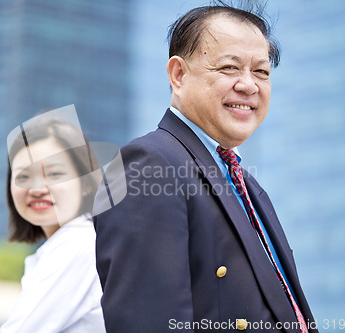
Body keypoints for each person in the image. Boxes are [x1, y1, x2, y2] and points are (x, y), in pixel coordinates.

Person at [94, 4, 318, 333]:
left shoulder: (248, 185)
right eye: (229, 67)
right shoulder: (148, 164)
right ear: (178, 75)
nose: (249, 85)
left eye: (261, 72)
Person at [0, 116, 106, 333]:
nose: (37, 188)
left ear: (86, 182)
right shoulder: (84, 240)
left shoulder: (77, 243)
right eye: (24, 176)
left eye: (55, 174)